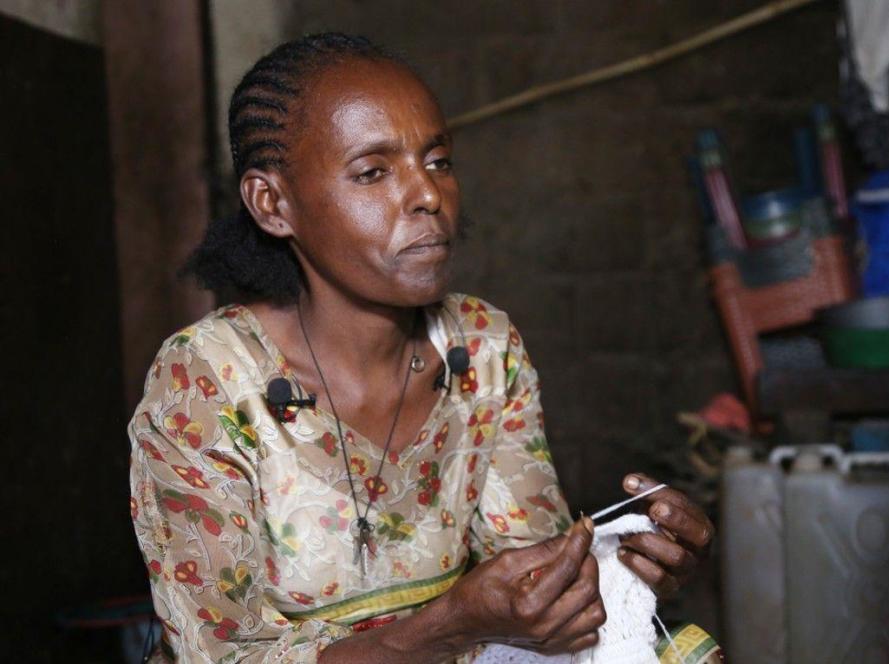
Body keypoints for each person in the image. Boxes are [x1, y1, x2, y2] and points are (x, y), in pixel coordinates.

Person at [128, 33, 714, 663]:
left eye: (438, 161)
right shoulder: (209, 381)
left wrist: (622, 570)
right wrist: (446, 627)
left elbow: (527, 589)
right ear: (274, 204)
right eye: (373, 172)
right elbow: (225, 657)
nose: (429, 196)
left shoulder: (483, 352)